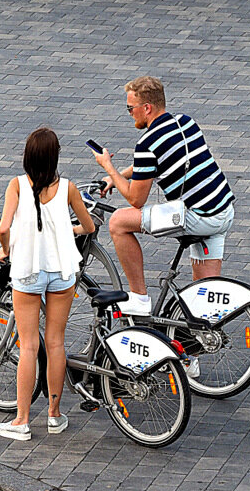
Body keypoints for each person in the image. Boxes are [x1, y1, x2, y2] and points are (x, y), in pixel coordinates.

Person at [91, 75, 235, 318]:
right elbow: (155, 163)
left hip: (197, 216)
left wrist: (109, 167)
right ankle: (193, 347)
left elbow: (136, 200)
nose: (129, 113)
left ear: (146, 108)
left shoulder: (147, 143)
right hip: (222, 210)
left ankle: (138, 298)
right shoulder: (185, 122)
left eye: (130, 108)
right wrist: (115, 177)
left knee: (118, 222)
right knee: (203, 305)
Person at [0, 127, 95, 441]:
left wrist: (5, 249)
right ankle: (54, 415)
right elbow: (88, 226)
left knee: (29, 346)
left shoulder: (17, 186)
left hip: (27, 272)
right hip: (62, 271)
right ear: (55, 157)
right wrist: (67, 229)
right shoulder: (68, 188)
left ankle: (22, 421)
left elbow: (4, 228)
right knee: (55, 343)